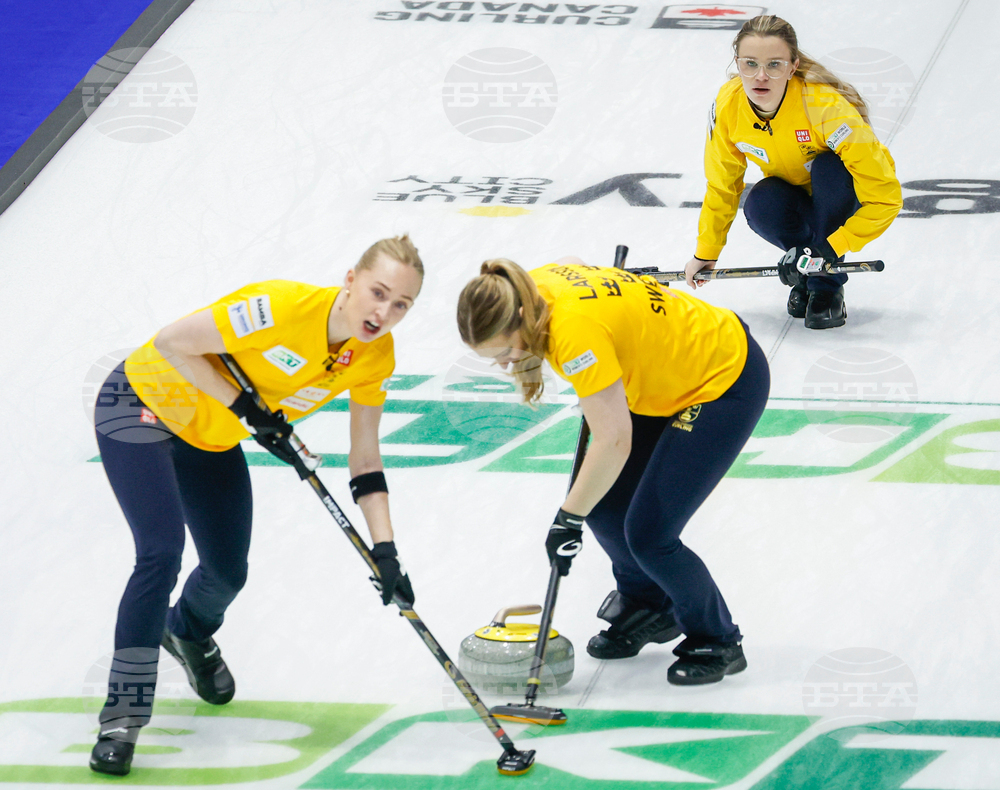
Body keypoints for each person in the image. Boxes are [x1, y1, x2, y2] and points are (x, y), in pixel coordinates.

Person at [89, 235, 423, 776]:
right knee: (160, 553)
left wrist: (385, 550)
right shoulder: (280, 307)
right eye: (378, 292)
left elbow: (366, 458)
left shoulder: (374, 356)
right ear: (350, 280)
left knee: (226, 571)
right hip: (142, 405)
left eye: (401, 304)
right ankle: (122, 717)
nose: (383, 312)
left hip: (208, 439)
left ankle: (187, 631)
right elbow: (173, 342)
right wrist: (244, 404)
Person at [456, 257, 769, 685]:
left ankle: (718, 639)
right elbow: (577, 269)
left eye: (507, 352)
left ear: (524, 317)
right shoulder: (530, 284)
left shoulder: (574, 336)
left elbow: (614, 440)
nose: (507, 365)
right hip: (659, 377)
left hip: (720, 379)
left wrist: (567, 519)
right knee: (603, 508)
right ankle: (649, 606)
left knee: (650, 534)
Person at [683, 14, 902, 329]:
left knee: (830, 167)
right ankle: (806, 266)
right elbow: (722, 185)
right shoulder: (728, 105)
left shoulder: (824, 107)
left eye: (774, 65)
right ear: (737, 63)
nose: (761, 76)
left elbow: (886, 198)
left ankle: (825, 285)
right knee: (761, 201)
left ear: (792, 66)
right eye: (750, 64)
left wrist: (830, 248)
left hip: (842, 195)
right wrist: (706, 251)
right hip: (797, 198)